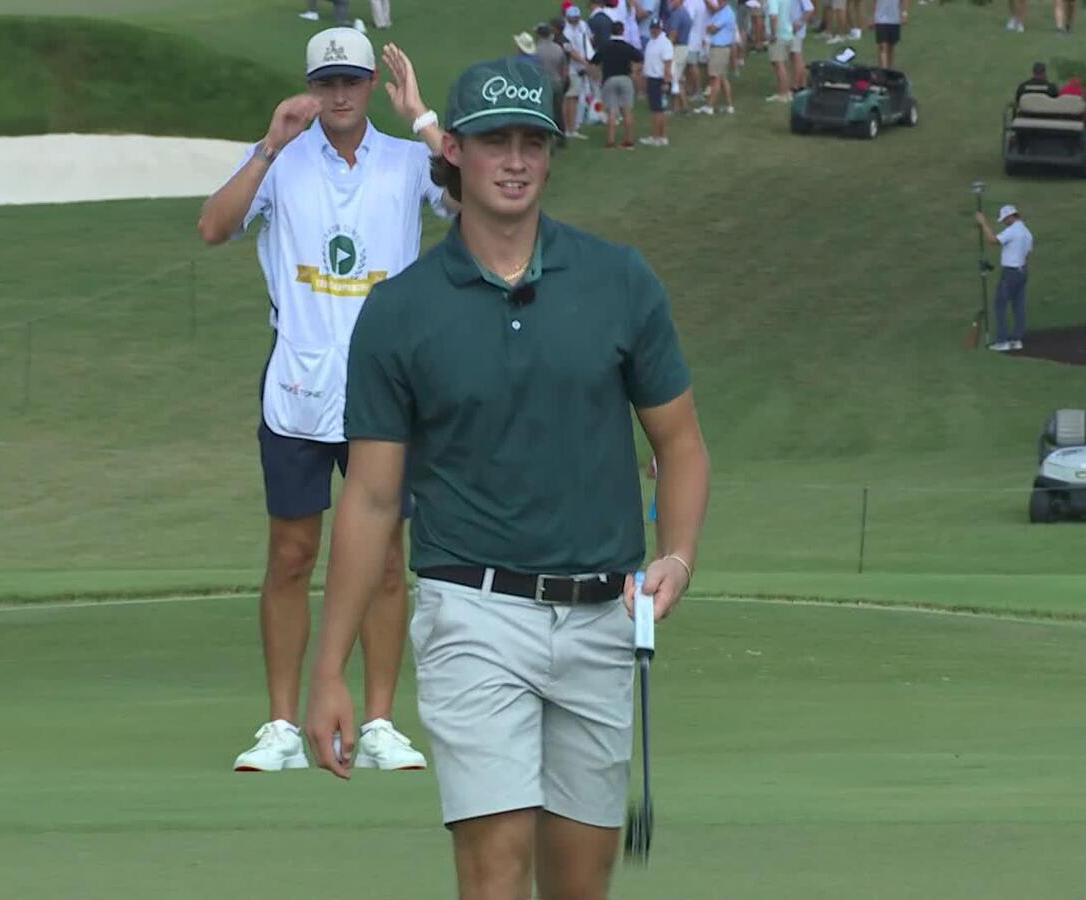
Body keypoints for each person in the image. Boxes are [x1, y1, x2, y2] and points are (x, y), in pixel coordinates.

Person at [304, 54, 710, 900]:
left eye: (533, 140)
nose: (516, 160)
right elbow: (373, 498)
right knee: (493, 871)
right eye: (495, 141)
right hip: (472, 613)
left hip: (603, 616)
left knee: (579, 884)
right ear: (453, 150)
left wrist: (676, 556)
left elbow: (681, 445)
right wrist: (329, 669)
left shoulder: (619, 282)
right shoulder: (400, 312)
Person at [196, 27, 450, 773]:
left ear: (372, 84)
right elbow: (214, 227)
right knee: (291, 553)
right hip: (299, 384)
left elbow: (472, 200)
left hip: (386, 385)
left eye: (352, 80)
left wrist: (424, 119)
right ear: (311, 86)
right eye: (326, 81)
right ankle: (280, 725)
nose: (339, 93)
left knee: (385, 558)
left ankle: (377, 722)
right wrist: (269, 146)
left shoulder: (407, 162)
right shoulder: (281, 160)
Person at [975, 205, 1034, 352]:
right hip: (1022, 271)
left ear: (1010, 217)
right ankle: (1016, 339)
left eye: (1005, 219)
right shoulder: (1027, 233)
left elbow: (993, 241)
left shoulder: (1013, 230)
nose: (1004, 222)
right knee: (1018, 305)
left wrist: (983, 223)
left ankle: (1002, 341)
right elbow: (1027, 255)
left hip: (1011, 273)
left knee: (999, 304)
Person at [593, 21, 645, 147]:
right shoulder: (627, 46)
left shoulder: (605, 46)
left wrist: (599, 77)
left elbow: (594, 62)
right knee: (627, 111)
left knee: (612, 111)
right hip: (625, 79)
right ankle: (629, 140)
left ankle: (611, 140)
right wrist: (635, 71)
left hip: (609, 79)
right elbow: (640, 58)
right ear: (622, 31)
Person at [562, 6, 596, 137]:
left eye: (577, 18)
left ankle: (577, 122)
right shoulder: (566, 31)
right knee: (572, 97)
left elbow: (589, 39)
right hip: (573, 67)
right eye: (573, 18)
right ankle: (570, 126)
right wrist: (584, 62)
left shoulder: (582, 25)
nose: (575, 20)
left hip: (584, 62)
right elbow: (571, 51)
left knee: (584, 93)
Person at [640, 17, 674, 145]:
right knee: (658, 110)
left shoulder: (665, 43)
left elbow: (667, 64)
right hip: (651, 79)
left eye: (656, 28)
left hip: (659, 80)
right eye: (652, 28)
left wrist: (666, 82)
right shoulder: (651, 42)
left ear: (661, 28)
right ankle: (661, 136)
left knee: (657, 110)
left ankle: (656, 137)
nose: (654, 31)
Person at [534, 22, 572, 137]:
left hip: (542, 84)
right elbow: (564, 69)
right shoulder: (558, 48)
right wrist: (564, 83)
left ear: (539, 35)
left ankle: (544, 134)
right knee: (558, 111)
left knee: (543, 110)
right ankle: (561, 136)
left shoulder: (536, 50)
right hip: (557, 83)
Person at [700, 0, 737, 114]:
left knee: (714, 78)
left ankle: (709, 106)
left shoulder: (726, 12)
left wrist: (709, 28)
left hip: (719, 48)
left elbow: (712, 28)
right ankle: (729, 105)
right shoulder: (721, 11)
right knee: (722, 78)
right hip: (720, 48)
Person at [767, 0, 798, 102]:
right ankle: (787, 92)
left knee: (779, 65)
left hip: (778, 35)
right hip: (788, 33)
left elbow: (773, 16)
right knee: (783, 64)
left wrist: (773, 34)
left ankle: (782, 93)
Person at [873, 0, 906, 69]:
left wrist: (904, 13)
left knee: (891, 46)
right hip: (880, 19)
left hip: (894, 19)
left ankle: (890, 69)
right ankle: (884, 72)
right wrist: (873, 17)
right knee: (883, 46)